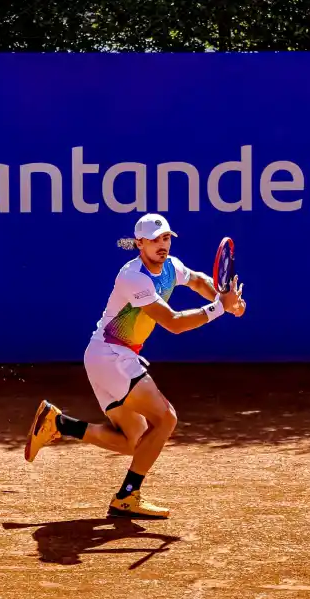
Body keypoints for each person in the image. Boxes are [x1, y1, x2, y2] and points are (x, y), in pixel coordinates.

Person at [24, 213, 246, 519]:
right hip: (112, 356)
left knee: (135, 442)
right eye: (154, 240)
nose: (162, 245)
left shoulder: (171, 266)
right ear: (139, 243)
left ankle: (58, 423)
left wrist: (222, 295)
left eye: (166, 238)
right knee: (165, 418)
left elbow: (196, 280)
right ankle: (127, 497)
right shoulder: (133, 277)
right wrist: (221, 307)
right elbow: (174, 323)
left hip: (108, 357)